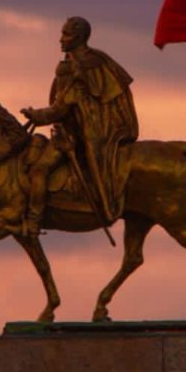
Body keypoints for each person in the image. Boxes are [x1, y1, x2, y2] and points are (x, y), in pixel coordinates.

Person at [20, 16, 138, 233]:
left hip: (77, 135)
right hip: (98, 131)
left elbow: (60, 108)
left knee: (40, 168)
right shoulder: (100, 60)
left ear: (80, 37)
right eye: (62, 33)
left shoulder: (74, 68)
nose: (60, 39)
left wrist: (36, 116)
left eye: (66, 34)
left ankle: (34, 220)